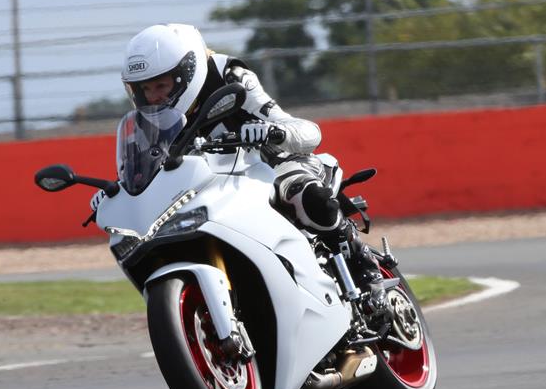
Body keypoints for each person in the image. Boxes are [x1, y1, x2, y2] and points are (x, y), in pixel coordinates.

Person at [94, 23, 387, 316]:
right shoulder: (151, 120)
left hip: (269, 164)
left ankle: (364, 266)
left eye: (161, 85)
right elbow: (147, 166)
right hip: (212, 184)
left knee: (304, 196)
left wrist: (273, 132)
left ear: (187, 74)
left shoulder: (228, 76)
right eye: (146, 88)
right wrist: (118, 192)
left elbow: (306, 131)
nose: (154, 96)